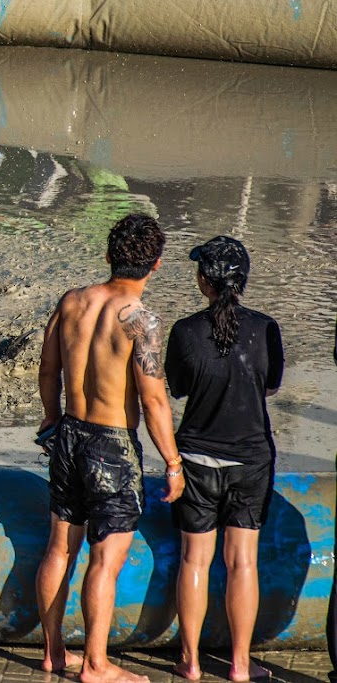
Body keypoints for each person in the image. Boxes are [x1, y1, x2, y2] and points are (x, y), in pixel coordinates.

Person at [35, 213, 183, 683]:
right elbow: (154, 398)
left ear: (107, 256)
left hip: (69, 433)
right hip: (111, 446)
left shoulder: (72, 302)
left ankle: (54, 652)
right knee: (106, 558)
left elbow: (47, 371)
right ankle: (96, 664)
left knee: (60, 548)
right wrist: (173, 463)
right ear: (156, 265)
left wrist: (52, 419)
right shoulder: (140, 320)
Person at [168, 237, 282, 683]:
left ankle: (190, 662)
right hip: (251, 459)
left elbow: (177, 387)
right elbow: (269, 386)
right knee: (243, 563)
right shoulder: (266, 329)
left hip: (196, 457)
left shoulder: (185, 331)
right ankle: (238, 664)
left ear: (203, 281)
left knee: (194, 560)